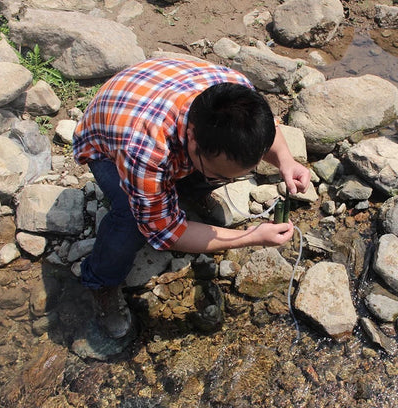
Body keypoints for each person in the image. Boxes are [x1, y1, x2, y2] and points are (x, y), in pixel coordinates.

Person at [72, 57, 310, 340]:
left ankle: (189, 191)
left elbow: (268, 132)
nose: (227, 180)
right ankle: (100, 282)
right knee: (132, 221)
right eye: (217, 174)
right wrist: (251, 236)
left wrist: (286, 161)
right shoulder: (145, 149)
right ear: (193, 141)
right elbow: (165, 232)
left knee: (209, 173)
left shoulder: (240, 97)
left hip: (155, 93)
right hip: (106, 144)